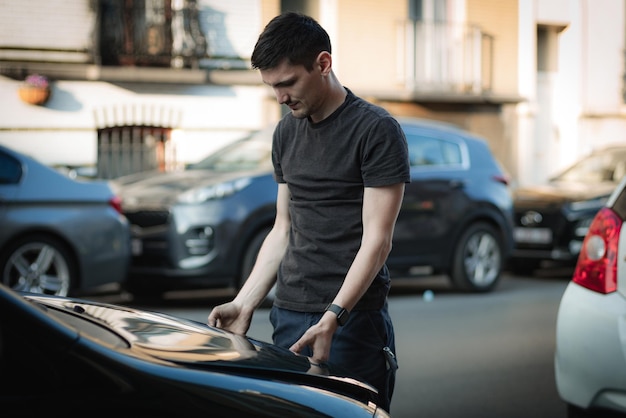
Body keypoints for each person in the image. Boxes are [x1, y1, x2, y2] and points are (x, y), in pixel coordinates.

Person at [207, 11, 410, 412]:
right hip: (288, 313)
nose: (280, 98)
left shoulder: (375, 130)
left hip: (352, 323)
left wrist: (335, 314)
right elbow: (283, 229)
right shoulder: (285, 132)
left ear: (323, 64)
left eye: (287, 83)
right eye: (272, 88)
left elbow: (377, 239)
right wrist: (245, 301)